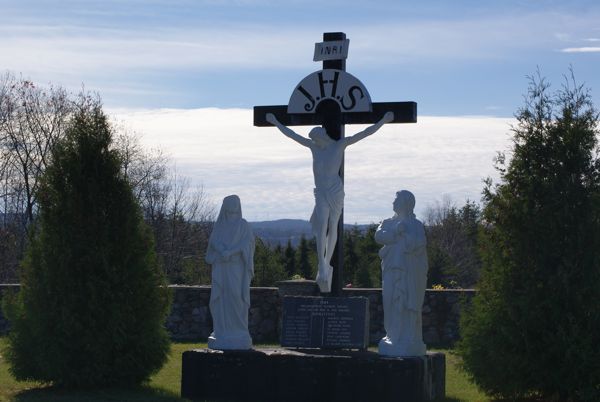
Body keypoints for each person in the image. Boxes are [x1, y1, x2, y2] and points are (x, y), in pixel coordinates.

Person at [266, 111, 394, 292]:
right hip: (321, 192)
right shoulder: (314, 147)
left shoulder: (339, 145)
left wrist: (383, 120)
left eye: (316, 139)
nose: (314, 141)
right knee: (321, 227)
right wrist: (275, 122)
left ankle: (327, 263)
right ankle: (322, 266)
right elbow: (292, 135)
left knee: (332, 225)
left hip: (335, 191)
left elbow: (365, 133)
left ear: (322, 135)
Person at [375, 190, 428, 356]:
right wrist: (396, 232)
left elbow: (420, 244)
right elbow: (378, 236)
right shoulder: (387, 223)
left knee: (407, 304)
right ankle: (392, 335)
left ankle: (409, 338)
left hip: (409, 274)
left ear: (406, 204)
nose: (393, 203)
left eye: (396, 200)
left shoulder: (416, 225)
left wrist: (405, 234)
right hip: (391, 272)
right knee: (390, 302)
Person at [205, 195, 255, 350]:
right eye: (230, 202)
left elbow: (247, 243)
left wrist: (231, 252)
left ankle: (239, 330)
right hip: (222, 268)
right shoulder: (220, 226)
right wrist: (221, 251)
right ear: (225, 206)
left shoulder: (243, 225)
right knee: (221, 299)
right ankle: (222, 330)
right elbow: (212, 244)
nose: (233, 205)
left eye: (236, 202)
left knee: (236, 297)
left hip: (236, 269)